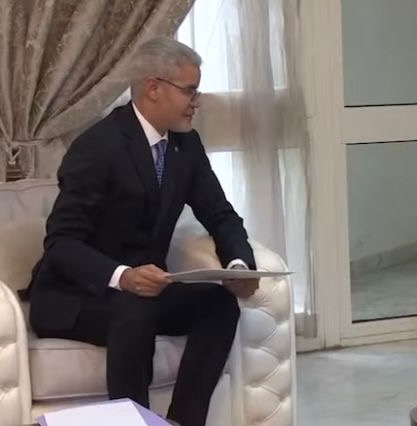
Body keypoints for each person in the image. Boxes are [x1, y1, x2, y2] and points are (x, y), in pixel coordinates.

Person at [28, 37, 259, 426]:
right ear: (153, 88)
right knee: (134, 311)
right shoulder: (97, 147)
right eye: (189, 91)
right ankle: (132, 421)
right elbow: (62, 243)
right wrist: (124, 277)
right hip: (75, 296)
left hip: (146, 292)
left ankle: (182, 421)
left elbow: (220, 214)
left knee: (218, 305)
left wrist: (238, 265)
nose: (197, 102)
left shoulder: (186, 145)